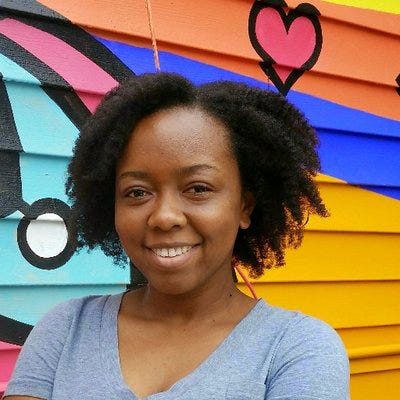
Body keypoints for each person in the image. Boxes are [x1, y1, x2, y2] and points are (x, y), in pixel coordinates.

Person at [4, 72, 350, 400]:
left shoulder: (295, 349)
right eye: (137, 192)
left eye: (198, 188)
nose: (164, 217)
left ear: (244, 207)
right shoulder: (65, 330)